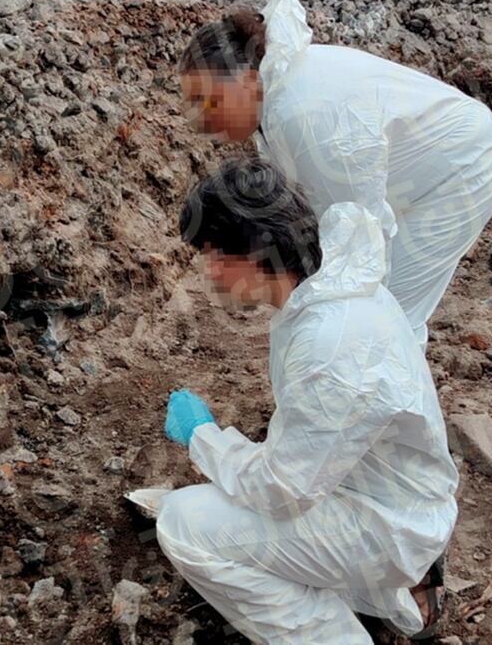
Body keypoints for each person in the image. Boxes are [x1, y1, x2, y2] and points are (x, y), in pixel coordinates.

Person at [156, 158, 459, 644]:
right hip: (380, 495)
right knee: (237, 504)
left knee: (184, 523)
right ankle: (382, 598)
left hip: (387, 525)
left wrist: (204, 438)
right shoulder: (327, 288)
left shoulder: (332, 342)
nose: (208, 273)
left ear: (257, 252)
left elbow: (283, 491)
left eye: (214, 256)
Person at [179, 0, 492, 350]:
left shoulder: (301, 114)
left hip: (461, 167)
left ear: (244, 78)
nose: (202, 118)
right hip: (416, 173)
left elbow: (360, 230)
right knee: (360, 306)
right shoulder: (276, 102)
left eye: (208, 100)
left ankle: (388, 399)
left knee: (389, 312)